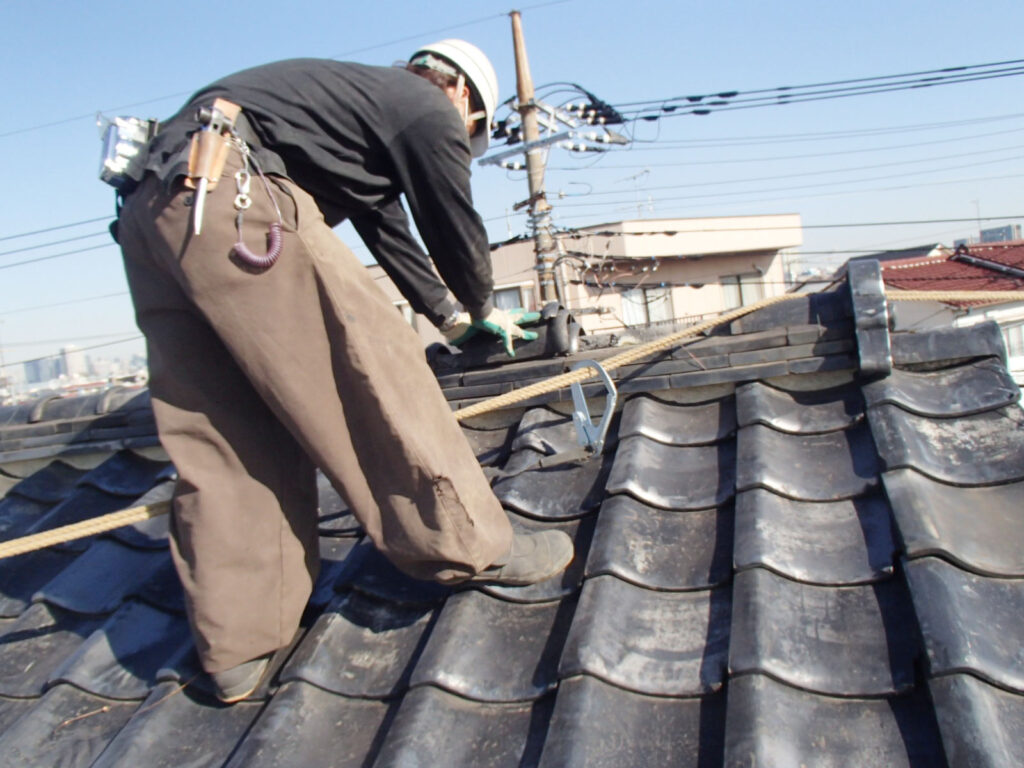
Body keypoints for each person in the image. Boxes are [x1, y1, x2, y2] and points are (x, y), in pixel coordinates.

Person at [113, 40, 573, 703]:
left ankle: (239, 643)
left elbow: (391, 233)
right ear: (464, 98)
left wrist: (453, 320)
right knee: (370, 361)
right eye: (473, 135)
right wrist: (481, 300)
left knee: (227, 432)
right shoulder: (426, 107)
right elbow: (451, 219)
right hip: (236, 190)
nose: (463, 143)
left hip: (154, 209)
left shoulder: (344, 121)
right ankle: (469, 544)